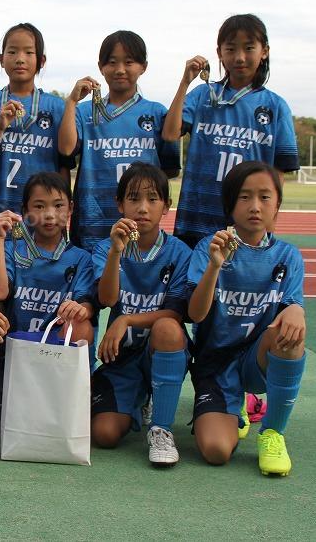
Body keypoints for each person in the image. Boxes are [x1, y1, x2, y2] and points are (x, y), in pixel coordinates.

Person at [186, 161, 306, 476]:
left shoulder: (287, 255)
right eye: (244, 197)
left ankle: (273, 432)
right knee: (215, 451)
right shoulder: (208, 248)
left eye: (264, 197)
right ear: (230, 204)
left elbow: (293, 305)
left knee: (292, 332)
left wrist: (296, 307)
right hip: (216, 363)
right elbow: (195, 313)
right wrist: (214, 266)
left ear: (277, 204)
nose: (255, 206)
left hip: (256, 360)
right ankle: (235, 400)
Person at [162, 13, 299, 249]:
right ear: (219, 53)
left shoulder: (276, 106)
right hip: (197, 216)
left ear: (264, 50)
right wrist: (185, 82)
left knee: (239, 285)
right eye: (231, 49)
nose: (239, 57)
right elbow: (169, 134)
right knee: (195, 284)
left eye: (249, 48)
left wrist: (270, 223)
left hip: (247, 220)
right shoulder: (203, 95)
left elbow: (278, 174)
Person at [90, 163, 192, 466]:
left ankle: (161, 428)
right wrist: (115, 251)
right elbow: (107, 299)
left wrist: (127, 319)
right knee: (105, 435)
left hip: (160, 349)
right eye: (133, 199)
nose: (142, 208)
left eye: (152, 199)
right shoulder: (105, 248)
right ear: (120, 204)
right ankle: (139, 400)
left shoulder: (179, 253)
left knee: (167, 328)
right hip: (122, 359)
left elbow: (176, 313)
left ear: (166, 207)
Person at [59, 30, 180, 253]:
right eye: (112, 62)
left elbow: (169, 170)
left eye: (129, 62)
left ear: (143, 66)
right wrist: (71, 101)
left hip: (141, 227)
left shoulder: (156, 113)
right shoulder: (84, 112)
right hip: (92, 224)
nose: (120, 69)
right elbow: (66, 149)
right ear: (101, 66)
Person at [0, 23, 70, 277]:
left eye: (28, 52)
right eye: (12, 52)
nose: (20, 59)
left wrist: (62, 216)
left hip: (44, 221)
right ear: (1, 59)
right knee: (1, 294)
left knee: (42, 288)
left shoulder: (56, 107)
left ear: (41, 60)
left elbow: (64, 164)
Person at [0, 172, 94, 346]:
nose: (50, 214)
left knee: (80, 325)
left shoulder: (82, 259)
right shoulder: (12, 249)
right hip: (15, 346)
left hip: (56, 349)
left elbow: (86, 306)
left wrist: (80, 310)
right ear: (25, 211)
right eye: (39, 206)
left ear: (71, 208)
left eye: (58, 205)